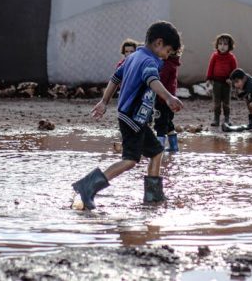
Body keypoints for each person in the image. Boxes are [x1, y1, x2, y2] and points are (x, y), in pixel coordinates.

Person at [73, 21, 183, 210]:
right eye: (168, 51)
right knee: (130, 160)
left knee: (156, 152)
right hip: (133, 118)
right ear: (159, 43)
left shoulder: (133, 56)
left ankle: (153, 197)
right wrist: (169, 96)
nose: (167, 57)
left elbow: (115, 78)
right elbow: (152, 80)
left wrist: (104, 102)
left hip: (133, 118)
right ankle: (87, 187)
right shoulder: (149, 61)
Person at [205, 33, 238, 127]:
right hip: (216, 83)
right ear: (217, 45)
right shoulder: (215, 56)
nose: (222, 46)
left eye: (225, 44)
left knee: (226, 103)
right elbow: (210, 68)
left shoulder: (231, 58)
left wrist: (231, 79)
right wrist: (209, 79)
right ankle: (216, 119)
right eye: (220, 44)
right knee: (217, 102)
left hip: (227, 83)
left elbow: (235, 71)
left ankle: (227, 119)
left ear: (230, 46)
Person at [155, 50, 181, 152]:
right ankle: (173, 146)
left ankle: (159, 148)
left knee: (160, 123)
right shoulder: (173, 64)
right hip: (170, 99)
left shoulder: (167, 65)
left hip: (163, 99)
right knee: (168, 123)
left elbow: (160, 81)